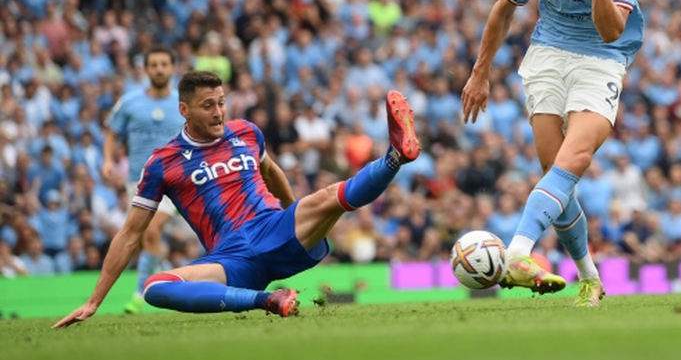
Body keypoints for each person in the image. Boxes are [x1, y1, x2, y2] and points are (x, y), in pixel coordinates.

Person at [53, 71, 421, 327]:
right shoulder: (162, 163)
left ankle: (395, 156)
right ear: (184, 110)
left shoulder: (246, 132)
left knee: (326, 197)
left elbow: (271, 171)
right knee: (155, 288)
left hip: (273, 229)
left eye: (221, 102)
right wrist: (94, 301)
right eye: (207, 106)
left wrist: (292, 211)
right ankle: (269, 301)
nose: (218, 113)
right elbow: (131, 233)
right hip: (230, 261)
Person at [461, 0, 644, 308]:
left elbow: (612, 31)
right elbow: (503, 10)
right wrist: (480, 73)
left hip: (602, 57)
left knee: (573, 160)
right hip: (548, 54)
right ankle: (591, 279)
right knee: (552, 172)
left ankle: (518, 253)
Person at [101, 46, 185, 314]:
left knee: (151, 230)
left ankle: (140, 293)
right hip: (137, 180)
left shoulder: (183, 103)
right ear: (146, 69)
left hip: (175, 180)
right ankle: (160, 275)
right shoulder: (130, 102)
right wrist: (107, 160)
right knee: (142, 237)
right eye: (154, 65)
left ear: (172, 68)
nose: (159, 69)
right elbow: (112, 133)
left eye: (164, 64)